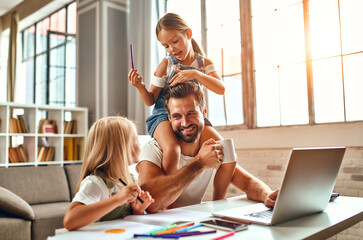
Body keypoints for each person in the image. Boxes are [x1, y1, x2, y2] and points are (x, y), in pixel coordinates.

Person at [128, 13, 234, 198]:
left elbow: (221, 89)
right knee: (173, 149)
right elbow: (150, 100)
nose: (171, 49)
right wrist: (140, 87)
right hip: (163, 115)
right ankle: (169, 200)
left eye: (175, 41)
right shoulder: (166, 64)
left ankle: (218, 201)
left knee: (227, 152)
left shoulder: (203, 63)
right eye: (166, 46)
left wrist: (196, 74)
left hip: (192, 114)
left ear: (188, 34)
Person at [137, 82, 278, 213]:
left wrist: (267, 195)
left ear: (204, 113)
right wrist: (199, 163)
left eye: (191, 113)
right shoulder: (153, 150)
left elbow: (246, 182)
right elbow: (150, 204)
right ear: (169, 118)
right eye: (177, 116)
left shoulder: (210, 147)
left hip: (195, 223)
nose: (185, 123)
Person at [63, 116, 154, 231]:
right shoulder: (96, 183)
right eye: (136, 140)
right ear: (120, 148)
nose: (139, 144)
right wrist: (117, 199)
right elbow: (70, 220)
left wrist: (138, 210)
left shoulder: (130, 179)